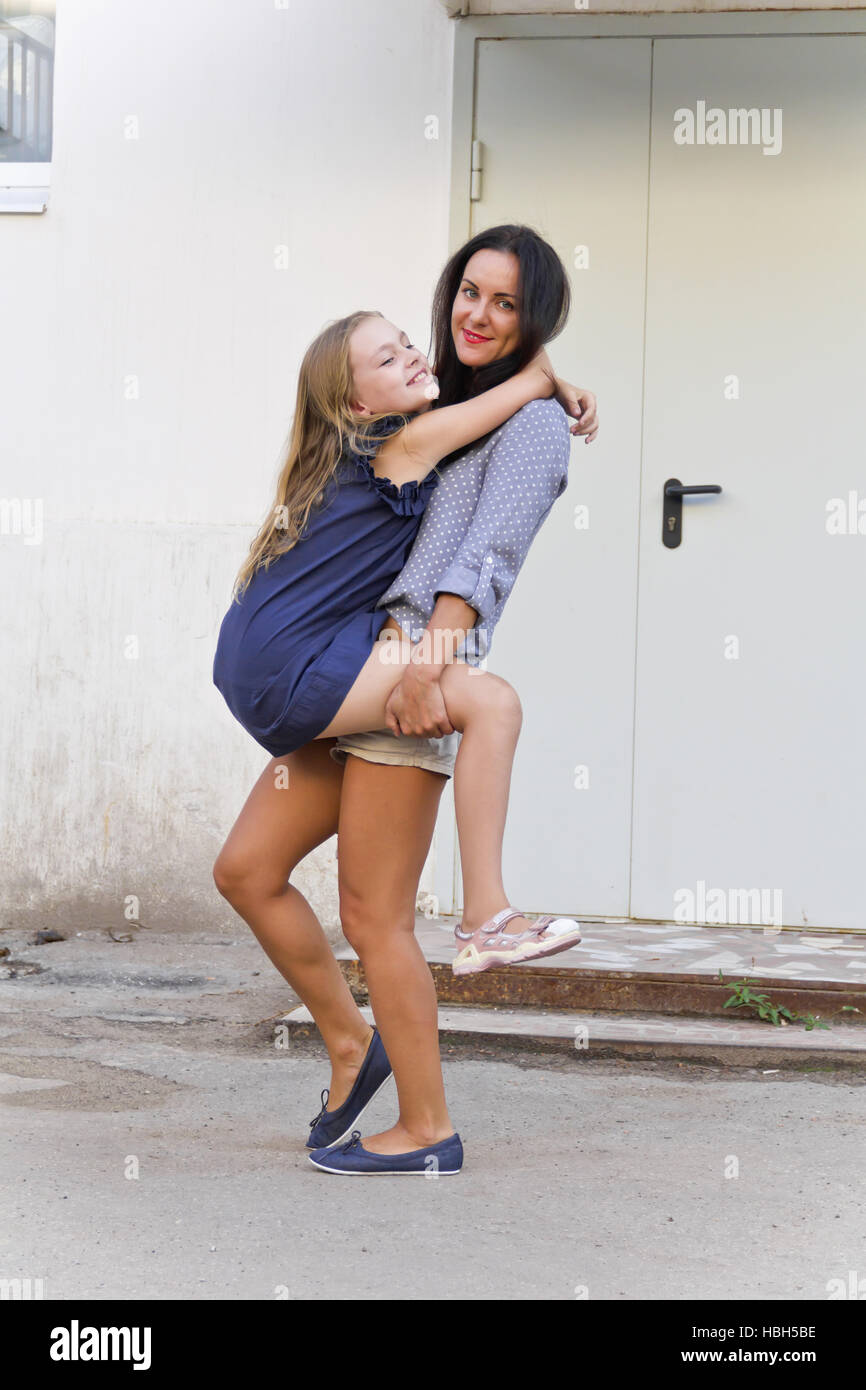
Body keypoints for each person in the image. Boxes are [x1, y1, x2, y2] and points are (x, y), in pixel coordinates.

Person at [213, 226, 599, 1174]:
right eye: (472, 292)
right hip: (352, 671)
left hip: (403, 678)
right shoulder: (441, 406)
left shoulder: (523, 419)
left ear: (535, 320)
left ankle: (432, 1112)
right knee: (246, 869)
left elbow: (485, 557)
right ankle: (352, 1044)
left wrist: (435, 664)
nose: (478, 315)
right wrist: (540, 373)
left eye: (508, 305)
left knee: (376, 916)